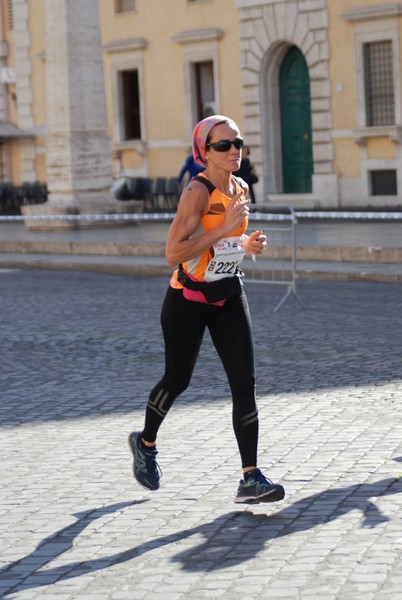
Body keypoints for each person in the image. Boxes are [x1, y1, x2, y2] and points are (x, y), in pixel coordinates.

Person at [128, 115, 285, 504]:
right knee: (177, 379)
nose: (234, 151)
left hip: (228, 294)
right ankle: (145, 444)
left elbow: (229, 238)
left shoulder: (241, 187)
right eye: (224, 145)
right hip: (188, 300)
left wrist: (247, 243)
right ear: (205, 152)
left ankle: (250, 477)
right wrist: (223, 228)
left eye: (238, 143)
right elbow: (173, 253)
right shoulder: (196, 193)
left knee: (244, 383)